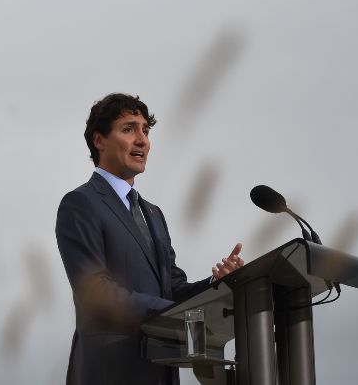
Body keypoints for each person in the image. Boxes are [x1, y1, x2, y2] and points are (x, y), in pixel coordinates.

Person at [55, 93, 244, 385]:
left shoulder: (153, 214)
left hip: (161, 371)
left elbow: (174, 288)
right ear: (99, 141)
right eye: (129, 129)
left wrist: (217, 284)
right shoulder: (80, 204)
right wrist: (172, 313)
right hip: (110, 372)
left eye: (145, 130)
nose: (142, 140)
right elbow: (95, 292)